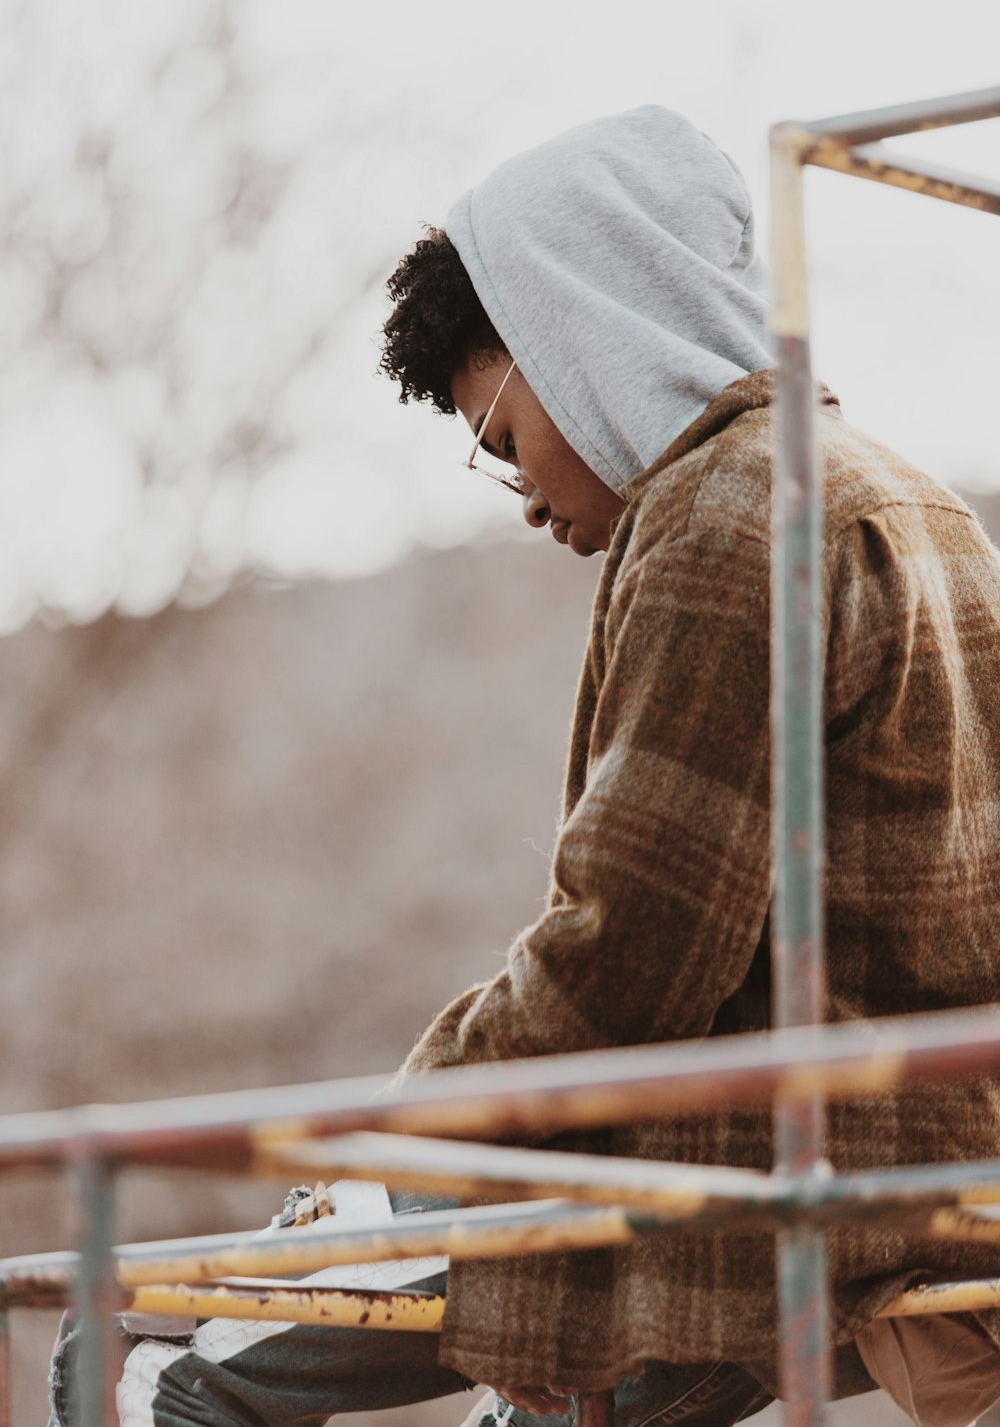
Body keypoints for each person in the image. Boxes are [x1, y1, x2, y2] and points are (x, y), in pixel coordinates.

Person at [51, 107, 1000, 1427]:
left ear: (586, 336)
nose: (524, 499)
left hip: (750, 1166)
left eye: (498, 438)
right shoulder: (917, 501)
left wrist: (408, 1124)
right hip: (934, 1171)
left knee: (149, 1360)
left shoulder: (729, 517)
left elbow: (629, 952)